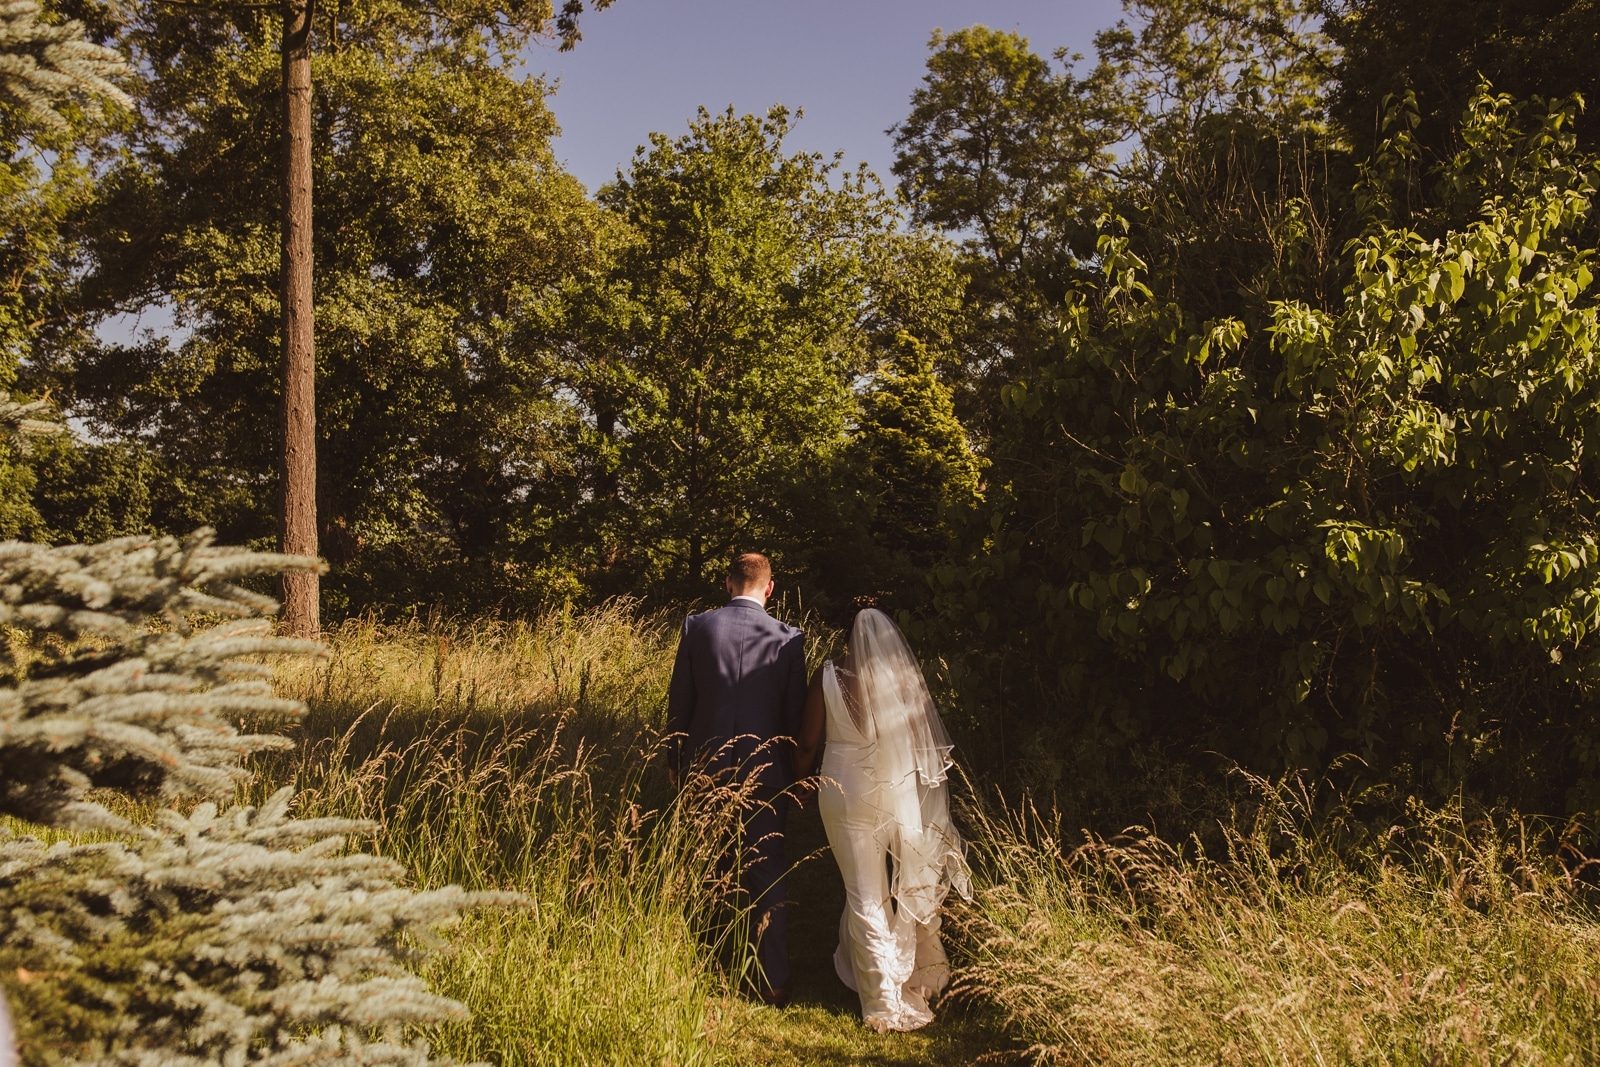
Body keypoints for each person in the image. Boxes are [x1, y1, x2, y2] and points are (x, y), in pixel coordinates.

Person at [794, 606, 970, 1032]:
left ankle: (881, 1004)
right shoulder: (901, 681)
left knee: (863, 892)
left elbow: (808, 741)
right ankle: (912, 973)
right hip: (896, 789)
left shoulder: (827, 675)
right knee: (897, 882)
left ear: (846, 639)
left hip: (844, 791)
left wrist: (795, 781)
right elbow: (918, 742)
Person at [666, 552, 808, 1006]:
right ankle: (773, 980)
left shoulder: (697, 627)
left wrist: (674, 756)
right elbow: (795, 716)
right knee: (766, 873)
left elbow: (680, 700)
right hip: (766, 771)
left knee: (705, 866)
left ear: (727, 582)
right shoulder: (788, 639)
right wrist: (791, 773)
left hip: (706, 766)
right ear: (769, 588)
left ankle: (697, 964)